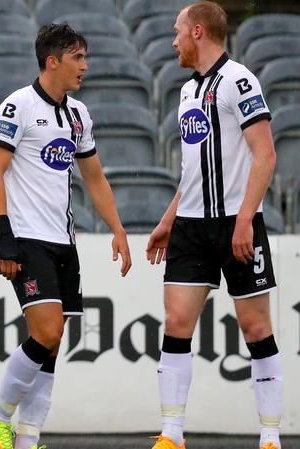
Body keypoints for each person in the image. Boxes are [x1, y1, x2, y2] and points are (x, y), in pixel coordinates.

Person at [0, 23, 132, 449]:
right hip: (27, 238)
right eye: (77, 58)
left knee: (52, 343)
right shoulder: (19, 106)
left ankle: (28, 439)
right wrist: (4, 238)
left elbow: (94, 177)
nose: (85, 66)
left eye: (85, 57)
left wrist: (117, 228)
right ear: (52, 61)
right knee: (46, 333)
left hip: (65, 242)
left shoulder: (78, 113)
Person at [146, 3, 282, 449]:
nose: (173, 41)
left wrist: (245, 219)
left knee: (256, 329)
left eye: (178, 31)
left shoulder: (239, 81)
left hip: (236, 225)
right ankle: (172, 434)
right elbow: (193, 171)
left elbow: (265, 154)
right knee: (176, 321)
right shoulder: (187, 91)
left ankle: (270, 436)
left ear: (198, 32)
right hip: (190, 226)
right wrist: (168, 220)